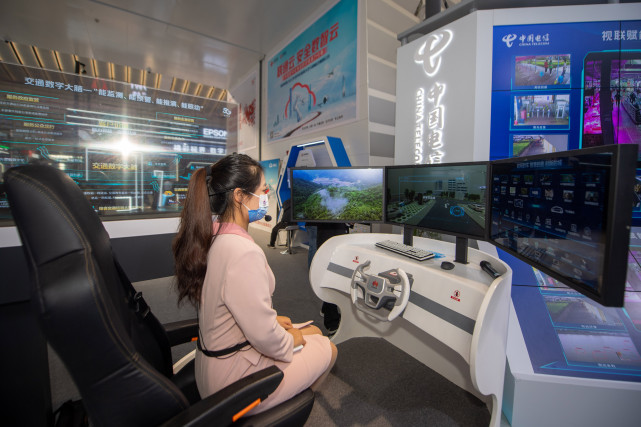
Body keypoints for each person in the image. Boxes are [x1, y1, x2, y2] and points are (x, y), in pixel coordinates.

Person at [172, 153, 337, 415]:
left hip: (212, 364)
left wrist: (275, 323)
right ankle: (283, 413)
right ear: (239, 195)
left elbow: (233, 306)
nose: (266, 196)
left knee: (311, 330)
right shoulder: (242, 252)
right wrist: (290, 340)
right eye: (262, 190)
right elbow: (267, 340)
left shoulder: (213, 237)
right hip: (233, 380)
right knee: (327, 346)